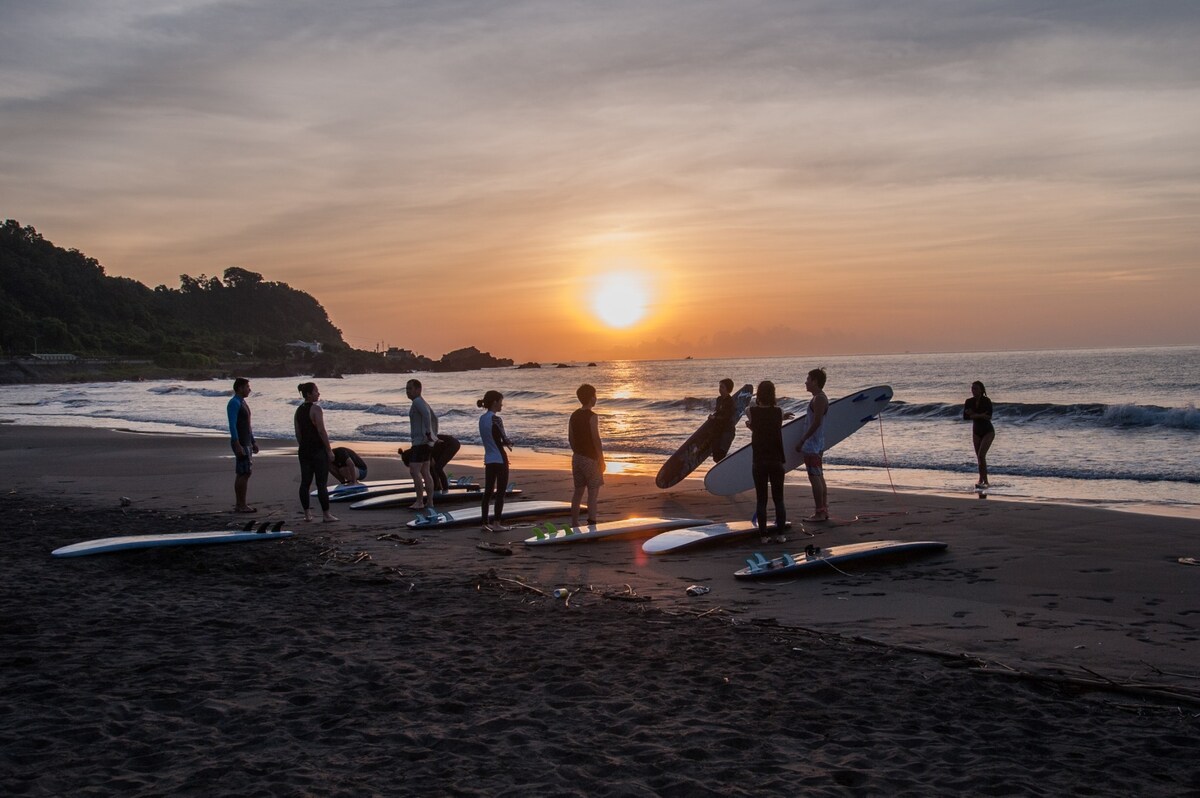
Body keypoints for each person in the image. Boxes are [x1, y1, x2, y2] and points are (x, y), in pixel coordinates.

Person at [745, 380, 786, 540]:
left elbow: (759, 428)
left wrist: (750, 426)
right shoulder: (779, 412)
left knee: (761, 499)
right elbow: (773, 429)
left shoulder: (751, 411)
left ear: (759, 393)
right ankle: (781, 535)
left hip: (759, 460)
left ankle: (763, 536)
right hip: (776, 460)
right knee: (779, 499)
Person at [295, 383, 338, 522]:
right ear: (308, 394)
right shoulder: (316, 409)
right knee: (321, 484)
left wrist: (302, 446)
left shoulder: (298, 410)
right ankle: (326, 515)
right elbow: (321, 430)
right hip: (317, 450)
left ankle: (307, 514)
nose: (318, 394)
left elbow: (298, 433)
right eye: (316, 391)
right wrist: (329, 450)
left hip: (304, 450)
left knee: (305, 483)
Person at [794, 367, 829, 522]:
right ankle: (823, 510)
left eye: (808, 379)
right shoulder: (817, 398)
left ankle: (820, 512)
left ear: (815, 381)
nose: (806, 382)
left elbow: (816, 423)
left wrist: (802, 440)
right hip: (817, 443)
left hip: (812, 444)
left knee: (815, 476)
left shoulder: (819, 398)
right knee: (818, 475)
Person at [569, 383, 605, 528]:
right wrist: (601, 459)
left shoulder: (574, 415)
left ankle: (574, 522)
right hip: (590, 458)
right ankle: (592, 521)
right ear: (591, 398)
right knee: (593, 492)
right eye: (595, 396)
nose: (596, 399)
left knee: (578, 492)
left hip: (576, 457)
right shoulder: (592, 416)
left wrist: (577, 452)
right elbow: (596, 439)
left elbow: (570, 438)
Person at [477, 391, 514, 532]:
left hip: (489, 458)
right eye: (500, 401)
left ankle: (484, 522)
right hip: (500, 458)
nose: (502, 404)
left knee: (488, 491)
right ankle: (497, 523)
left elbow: (490, 438)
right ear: (494, 402)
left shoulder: (481, 419)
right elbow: (504, 439)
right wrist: (511, 443)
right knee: (500, 492)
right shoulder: (496, 419)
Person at [226, 377, 259, 513]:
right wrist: (236, 442)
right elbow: (232, 424)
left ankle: (241, 504)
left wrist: (253, 441)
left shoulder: (242, 402)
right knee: (243, 472)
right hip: (240, 442)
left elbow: (248, 425)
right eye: (247, 387)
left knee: (245, 472)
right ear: (239, 388)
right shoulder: (234, 403)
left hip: (246, 441)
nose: (249, 390)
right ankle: (241, 505)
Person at [405, 378, 438, 511]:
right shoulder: (421, 402)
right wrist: (433, 435)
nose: (407, 392)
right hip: (426, 442)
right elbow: (435, 418)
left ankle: (419, 501)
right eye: (406, 389)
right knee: (425, 471)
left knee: (414, 470)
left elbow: (427, 416)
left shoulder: (418, 401)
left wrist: (429, 433)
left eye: (410, 389)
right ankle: (429, 501)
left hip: (420, 442)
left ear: (418, 390)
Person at [963, 380, 995, 489]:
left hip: (988, 430)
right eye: (972, 388)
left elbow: (989, 416)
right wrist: (980, 415)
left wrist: (974, 415)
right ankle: (981, 479)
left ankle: (985, 481)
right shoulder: (969, 401)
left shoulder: (986, 401)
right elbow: (966, 417)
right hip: (976, 431)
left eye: (976, 388)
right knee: (979, 457)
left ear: (981, 390)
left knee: (982, 455)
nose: (973, 390)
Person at [711, 377, 737, 461]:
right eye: (719, 387)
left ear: (728, 389)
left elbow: (727, 418)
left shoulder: (730, 402)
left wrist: (714, 418)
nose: (720, 389)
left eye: (722, 387)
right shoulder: (719, 399)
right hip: (718, 431)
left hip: (727, 432)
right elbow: (717, 412)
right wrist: (713, 417)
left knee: (720, 457)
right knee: (715, 457)